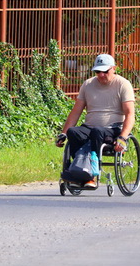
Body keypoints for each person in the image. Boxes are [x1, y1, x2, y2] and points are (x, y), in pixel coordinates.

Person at [55, 54, 135, 188]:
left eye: (105, 71)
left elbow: (130, 114)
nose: (101, 75)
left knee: (97, 132)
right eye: (98, 71)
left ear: (114, 68)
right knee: (73, 132)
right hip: (90, 127)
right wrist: (64, 133)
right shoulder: (88, 84)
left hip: (113, 128)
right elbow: (76, 112)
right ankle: (78, 170)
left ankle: (91, 174)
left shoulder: (123, 84)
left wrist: (123, 137)